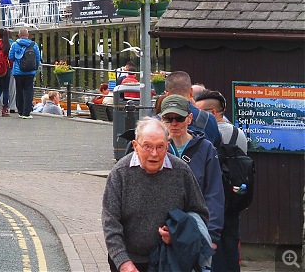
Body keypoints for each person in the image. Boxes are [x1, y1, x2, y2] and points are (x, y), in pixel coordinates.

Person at [102, 117, 210, 272]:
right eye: (147, 146)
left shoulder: (181, 171)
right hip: (130, 260)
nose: (154, 153)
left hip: (169, 260)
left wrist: (177, 236)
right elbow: (110, 224)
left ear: (168, 146)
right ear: (135, 146)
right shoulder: (120, 174)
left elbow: (200, 214)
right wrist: (123, 262)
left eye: (160, 147)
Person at [160, 95, 224, 255]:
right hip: (162, 231)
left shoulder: (206, 148)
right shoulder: (157, 148)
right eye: (168, 119)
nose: (174, 123)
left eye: (179, 118)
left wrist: (212, 236)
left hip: (195, 230)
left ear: (189, 119)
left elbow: (214, 193)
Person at [195, 91, 247, 272]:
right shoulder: (238, 133)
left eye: (201, 113)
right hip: (234, 197)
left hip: (214, 198)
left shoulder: (207, 135)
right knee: (231, 244)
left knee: (214, 249)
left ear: (213, 113)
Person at [165, 71, 222, 147]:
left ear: (167, 95)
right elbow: (217, 147)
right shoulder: (209, 119)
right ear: (191, 92)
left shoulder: (156, 122)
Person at [8, 27, 41, 119]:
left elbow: (11, 57)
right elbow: (38, 58)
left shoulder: (15, 44)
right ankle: (27, 113)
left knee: (19, 91)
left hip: (18, 72)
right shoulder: (34, 45)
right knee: (28, 91)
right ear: (28, 35)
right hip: (30, 72)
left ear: (19, 35)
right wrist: (35, 68)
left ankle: (20, 111)